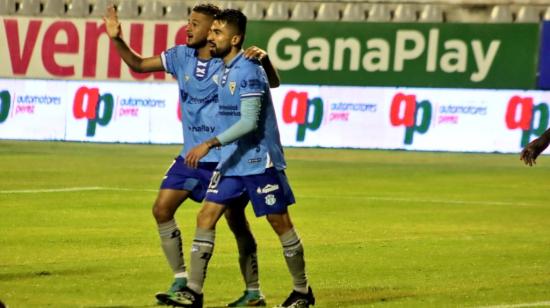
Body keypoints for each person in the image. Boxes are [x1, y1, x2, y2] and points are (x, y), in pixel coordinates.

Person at [103, 4, 280, 306]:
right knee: (161, 209)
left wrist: (264, 60)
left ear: (215, 31)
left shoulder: (232, 61)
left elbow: (271, 83)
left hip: (226, 158)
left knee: (236, 222)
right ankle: (182, 279)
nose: (189, 28)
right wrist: (117, 39)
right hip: (191, 156)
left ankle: (252, 291)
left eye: (197, 24)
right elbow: (137, 64)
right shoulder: (180, 56)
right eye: (190, 22)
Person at [165, 9, 315, 308]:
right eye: (211, 32)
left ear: (234, 38)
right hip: (232, 162)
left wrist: (209, 143)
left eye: (217, 33)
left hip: (260, 161)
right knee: (205, 217)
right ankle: (192, 291)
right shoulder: (223, 68)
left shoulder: (247, 69)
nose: (211, 36)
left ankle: (302, 291)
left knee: (279, 222)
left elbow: (248, 122)